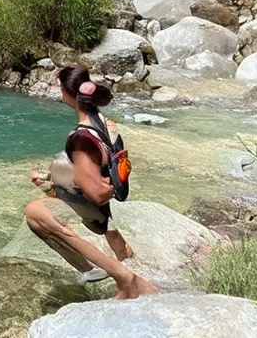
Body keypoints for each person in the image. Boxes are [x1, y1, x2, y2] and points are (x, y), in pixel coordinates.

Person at [23, 67, 157, 300]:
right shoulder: (103, 122)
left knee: (34, 213)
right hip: (103, 201)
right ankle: (122, 254)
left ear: (67, 93)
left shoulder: (80, 139)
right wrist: (52, 178)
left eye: (61, 87)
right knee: (54, 181)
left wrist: (73, 181)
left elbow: (96, 193)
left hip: (94, 203)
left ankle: (120, 277)